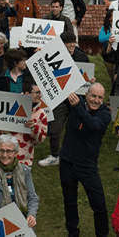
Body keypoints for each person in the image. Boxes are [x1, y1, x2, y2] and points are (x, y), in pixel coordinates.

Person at [59, 85, 111, 237]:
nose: (96, 100)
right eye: (93, 96)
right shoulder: (76, 103)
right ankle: (72, 232)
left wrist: (77, 108)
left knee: (99, 206)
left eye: (100, 97)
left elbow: (93, 124)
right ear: (86, 94)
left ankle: (102, 235)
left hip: (87, 166)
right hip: (67, 163)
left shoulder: (105, 115)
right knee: (69, 202)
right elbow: (59, 92)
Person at [38, 32, 90, 167]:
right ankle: (55, 155)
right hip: (59, 99)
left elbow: (88, 75)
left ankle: (72, 155)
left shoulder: (81, 56)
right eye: (68, 42)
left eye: (73, 41)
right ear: (62, 44)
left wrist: (90, 80)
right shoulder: (53, 55)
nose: (72, 45)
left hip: (77, 99)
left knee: (74, 129)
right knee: (54, 130)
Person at [0, 80, 48, 166]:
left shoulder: (41, 114)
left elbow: (40, 139)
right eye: (37, 93)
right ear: (27, 94)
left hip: (22, 159)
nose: (40, 95)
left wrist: (33, 128)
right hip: (1, 155)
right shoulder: (9, 104)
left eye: (41, 92)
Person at [99, 9, 115, 82]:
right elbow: (101, 39)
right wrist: (111, 36)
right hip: (108, 54)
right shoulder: (105, 28)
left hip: (118, 53)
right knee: (111, 77)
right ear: (109, 18)